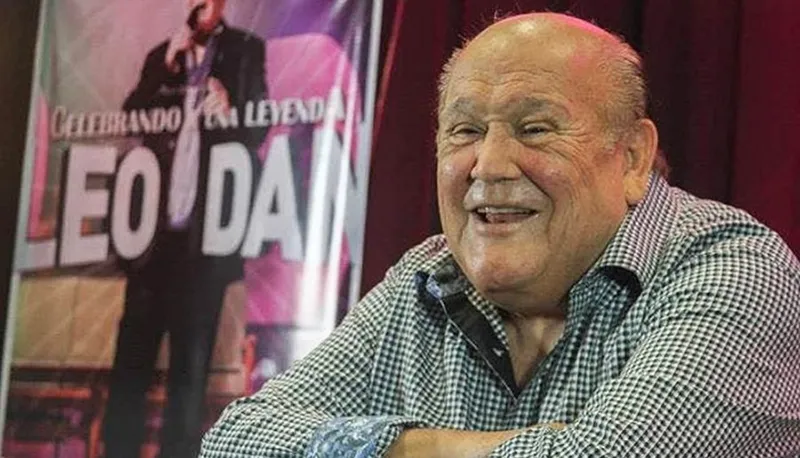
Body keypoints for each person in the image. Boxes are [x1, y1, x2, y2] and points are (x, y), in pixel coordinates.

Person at [199, 12, 800, 458]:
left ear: (633, 158)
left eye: (535, 128)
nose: (488, 166)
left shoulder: (736, 269)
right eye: (464, 131)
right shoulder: (426, 277)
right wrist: (432, 447)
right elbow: (235, 441)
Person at [102, 1, 268, 457]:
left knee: (188, 378)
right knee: (130, 368)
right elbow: (131, 116)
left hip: (204, 247)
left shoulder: (245, 50)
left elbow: (261, 128)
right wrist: (166, 67)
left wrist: (232, 110)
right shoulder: (163, 55)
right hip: (151, 246)